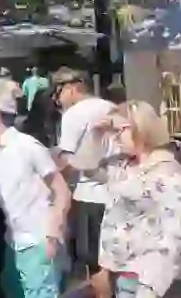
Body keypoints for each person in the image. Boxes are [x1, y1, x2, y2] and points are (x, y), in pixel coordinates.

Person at [87, 102, 181, 298]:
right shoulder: (122, 165)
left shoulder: (167, 171)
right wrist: (96, 134)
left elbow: (175, 235)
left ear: (140, 128)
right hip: (119, 275)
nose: (115, 138)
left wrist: (151, 289)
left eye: (120, 131)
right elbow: (85, 166)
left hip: (149, 281)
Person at [0, 99, 71, 298]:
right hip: (12, 243)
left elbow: (61, 191)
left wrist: (52, 234)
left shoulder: (26, 146)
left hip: (38, 238)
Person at [51, 67, 116, 285]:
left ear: (72, 88)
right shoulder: (111, 107)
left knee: (94, 261)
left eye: (58, 91)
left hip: (90, 195)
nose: (56, 98)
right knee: (113, 258)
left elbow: (66, 160)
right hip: (115, 190)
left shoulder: (75, 114)